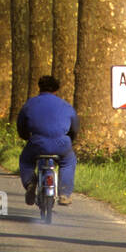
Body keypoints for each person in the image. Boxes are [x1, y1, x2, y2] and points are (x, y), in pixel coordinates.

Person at [17, 75, 79, 206]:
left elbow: (21, 125)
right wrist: (70, 140)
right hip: (62, 144)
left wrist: (26, 137)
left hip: (37, 143)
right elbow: (74, 128)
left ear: (39, 88)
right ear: (56, 90)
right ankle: (64, 193)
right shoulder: (66, 106)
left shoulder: (30, 104)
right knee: (68, 161)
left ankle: (30, 182)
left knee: (26, 160)